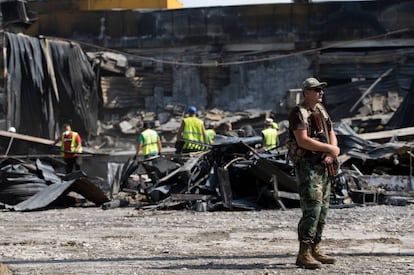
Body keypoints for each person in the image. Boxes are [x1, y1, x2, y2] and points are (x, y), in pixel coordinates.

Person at [288, 77, 340, 269]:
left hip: (324, 165)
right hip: (307, 166)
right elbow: (302, 141)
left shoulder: (322, 111)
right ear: (306, 93)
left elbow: (331, 132)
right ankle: (304, 253)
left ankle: (316, 248)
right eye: (316, 90)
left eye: (321, 90)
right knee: (312, 208)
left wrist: (331, 151)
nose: (321, 93)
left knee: (323, 210)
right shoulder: (298, 113)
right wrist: (330, 149)